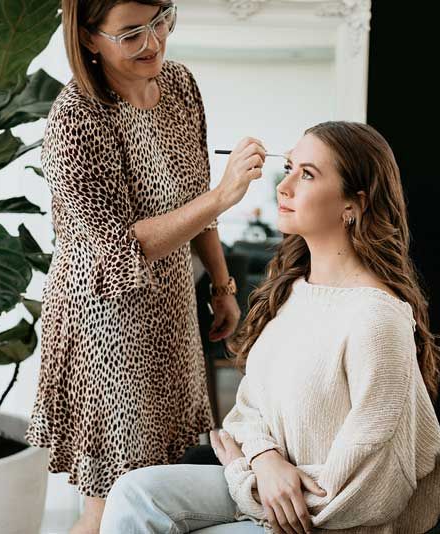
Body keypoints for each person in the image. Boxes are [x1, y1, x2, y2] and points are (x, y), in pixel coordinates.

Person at [100, 121, 440, 534]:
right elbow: (249, 408)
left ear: (353, 204)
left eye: (307, 174)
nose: (283, 187)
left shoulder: (376, 318)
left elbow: (377, 488)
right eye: (288, 167)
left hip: (327, 521)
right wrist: (264, 461)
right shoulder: (295, 291)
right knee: (133, 493)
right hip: (267, 482)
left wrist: (242, 476)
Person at [24, 2, 268, 532]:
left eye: (160, 18)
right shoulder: (74, 121)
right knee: (115, 498)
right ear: (89, 39)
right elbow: (121, 246)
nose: (154, 42)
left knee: (160, 479)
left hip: (172, 307)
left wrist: (222, 284)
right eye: (130, 33)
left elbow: (193, 192)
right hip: (108, 322)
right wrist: (227, 195)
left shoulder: (179, 85)